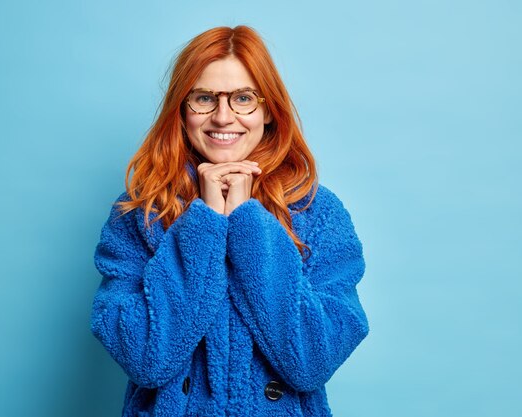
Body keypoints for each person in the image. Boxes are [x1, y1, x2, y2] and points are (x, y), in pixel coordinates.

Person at [90, 25, 369, 417]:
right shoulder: (139, 213)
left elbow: (311, 360)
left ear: (269, 110)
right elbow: (145, 358)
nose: (223, 118)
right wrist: (202, 222)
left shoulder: (317, 212)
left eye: (243, 98)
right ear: (183, 109)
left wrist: (246, 223)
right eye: (204, 98)